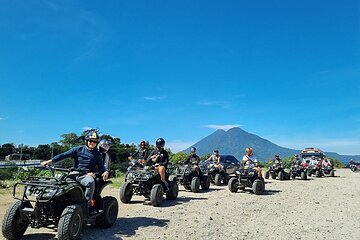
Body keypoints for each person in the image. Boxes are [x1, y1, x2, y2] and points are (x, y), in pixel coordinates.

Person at [41, 130, 109, 214]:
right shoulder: (78, 149)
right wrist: (49, 161)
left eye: (94, 141)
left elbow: (101, 167)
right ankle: (51, 204)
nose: (92, 143)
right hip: (74, 173)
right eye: (90, 141)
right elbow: (63, 155)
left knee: (90, 182)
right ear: (86, 141)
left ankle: (86, 206)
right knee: (58, 183)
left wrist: (96, 174)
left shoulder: (97, 154)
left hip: (85, 175)